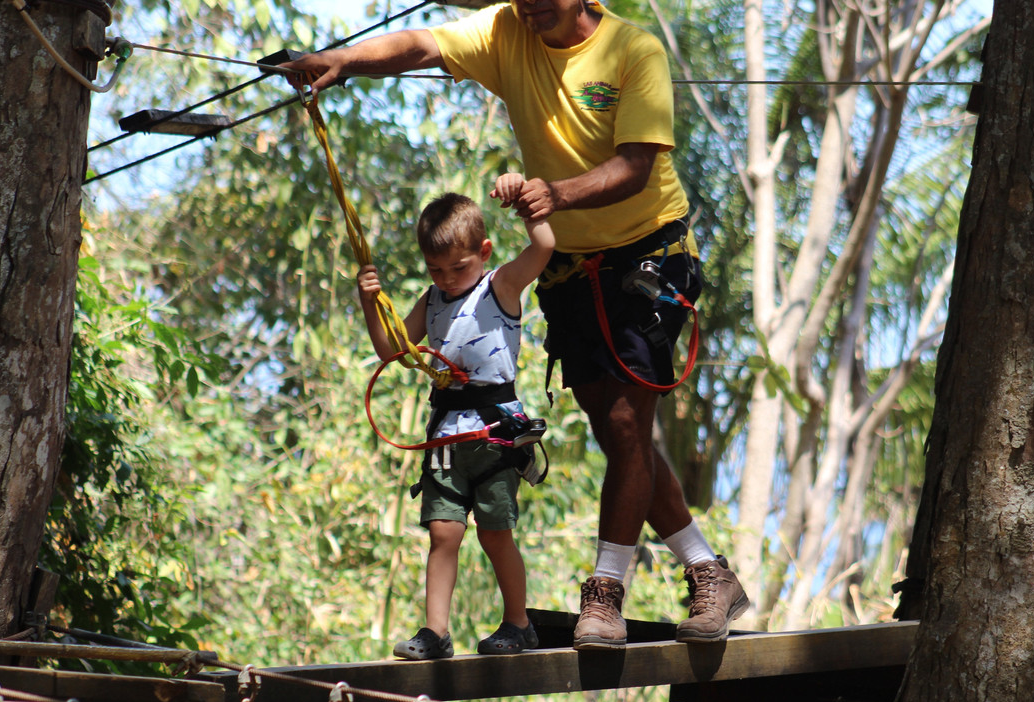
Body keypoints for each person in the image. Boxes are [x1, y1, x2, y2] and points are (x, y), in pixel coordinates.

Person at [286, 0, 749, 650]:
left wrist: (556, 194)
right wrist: (340, 61)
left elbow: (637, 164)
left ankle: (605, 593)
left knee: (624, 426)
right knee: (624, 433)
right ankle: (707, 570)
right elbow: (422, 45)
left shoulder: (633, 51)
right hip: (570, 267)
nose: (528, 4)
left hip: (648, 253)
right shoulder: (507, 31)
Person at [357, 174, 555, 659]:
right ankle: (435, 632)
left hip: (494, 434)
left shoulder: (500, 285)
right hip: (447, 438)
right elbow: (393, 351)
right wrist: (369, 302)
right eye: (435, 269)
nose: (446, 278)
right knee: (443, 532)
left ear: (484, 252)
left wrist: (531, 209)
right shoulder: (432, 301)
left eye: (457, 267)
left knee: (494, 531)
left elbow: (544, 248)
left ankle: (518, 623)